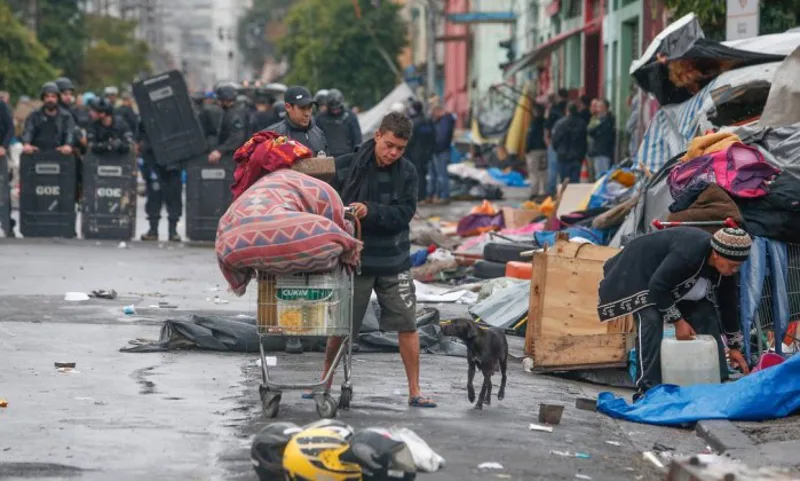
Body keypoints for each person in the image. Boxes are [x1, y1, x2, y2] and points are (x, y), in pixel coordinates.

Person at [327, 111, 436, 408]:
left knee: (408, 325)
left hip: (394, 261)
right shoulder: (347, 165)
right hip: (356, 261)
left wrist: (370, 211)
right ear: (377, 135)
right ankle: (325, 382)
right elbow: (326, 199)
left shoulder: (408, 173)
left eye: (400, 148)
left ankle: (415, 391)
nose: (393, 153)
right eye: (389, 145)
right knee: (342, 327)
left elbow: (403, 216)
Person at [598, 227, 751, 398]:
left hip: (670, 281)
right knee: (652, 319)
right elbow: (657, 286)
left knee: (704, 314)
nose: (734, 270)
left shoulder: (726, 268)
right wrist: (678, 321)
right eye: (732, 265)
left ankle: (717, 380)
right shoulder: (688, 254)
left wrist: (734, 346)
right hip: (642, 271)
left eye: (738, 267)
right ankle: (648, 389)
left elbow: (728, 304)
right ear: (716, 254)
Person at [139, 113, 184, 242]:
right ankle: (156, 230)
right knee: (155, 198)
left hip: (171, 162)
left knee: (172, 197)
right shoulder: (148, 115)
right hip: (157, 161)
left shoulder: (177, 115)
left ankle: (170, 231)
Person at [265, 86, 327, 156]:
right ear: (288, 107)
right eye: (302, 108)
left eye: (310, 107)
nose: (307, 113)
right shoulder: (272, 135)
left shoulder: (318, 133)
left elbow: (327, 163)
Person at [22, 82, 75, 156]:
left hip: (60, 153)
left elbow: (70, 132)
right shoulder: (34, 115)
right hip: (37, 153)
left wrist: (68, 145)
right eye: (47, 96)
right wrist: (27, 144)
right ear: (43, 98)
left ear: (57, 98)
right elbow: (28, 130)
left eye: (53, 96)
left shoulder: (66, 116)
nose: (50, 99)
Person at [207, 83, 248, 165]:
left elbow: (237, 137)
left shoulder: (235, 114)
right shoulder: (230, 112)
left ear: (224, 99)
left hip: (236, 158)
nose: (218, 102)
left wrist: (220, 151)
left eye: (219, 100)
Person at [314, 89, 362, 157]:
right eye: (333, 109)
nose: (335, 111)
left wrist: (356, 154)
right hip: (328, 157)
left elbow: (357, 138)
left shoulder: (350, 116)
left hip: (348, 156)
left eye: (337, 108)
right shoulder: (320, 118)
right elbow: (316, 139)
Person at [404, 100, 435, 201]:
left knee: (415, 175)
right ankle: (423, 195)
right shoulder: (428, 121)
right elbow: (433, 137)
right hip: (427, 152)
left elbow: (409, 140)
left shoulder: (413, 123)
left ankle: (417, 196)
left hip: (414, 153)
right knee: (424, 174)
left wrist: (404, 151)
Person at [550, 103, 587, 186]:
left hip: (563, 156)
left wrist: (559, 150)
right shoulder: (582, 123)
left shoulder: (560, 123)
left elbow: (555, 140)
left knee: (564, 181)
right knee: (575, 182)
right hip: (577, 156)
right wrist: (582, 154)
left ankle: (565, 197)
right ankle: (573, 197)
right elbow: (584, 141)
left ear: (567, 111)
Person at [427, 104, 454, 204]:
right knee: (437, 174)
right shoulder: (441, 121)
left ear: (439, 111)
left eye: (434, 113)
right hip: (438, 150)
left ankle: (444, 196)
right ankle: (438, 195)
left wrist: (435, 146)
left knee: (442, 174)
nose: (433, 115)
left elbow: (442, 137)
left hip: (441, 151)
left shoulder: (445, 121)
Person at [544, 89, 568, 195]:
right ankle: (563, 190)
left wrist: (547, 139)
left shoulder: (553, 110)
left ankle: (551, 191)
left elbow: (547, 126)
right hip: (567, 144)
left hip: (555, 142)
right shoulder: (568, 108)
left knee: (553, 168)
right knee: (564, 168)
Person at [587, 98, 615, 180]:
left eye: (600, 106)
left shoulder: (607, 119)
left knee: (602, 175)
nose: (597, 109)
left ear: (605, 108)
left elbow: (594, 130)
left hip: (604, 150)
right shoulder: (597, 119)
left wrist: (594, 130)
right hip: (597, 150)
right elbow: (590, 130)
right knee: (597, 174)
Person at [525, 103, 547, 199]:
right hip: (544, 149)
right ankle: (543, 191)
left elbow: (530, 137)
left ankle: (534, 192)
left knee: (533, 171)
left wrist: (527, 148)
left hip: (533, 150)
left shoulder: (533, 123)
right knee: (543, 171)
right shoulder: (545, 122)